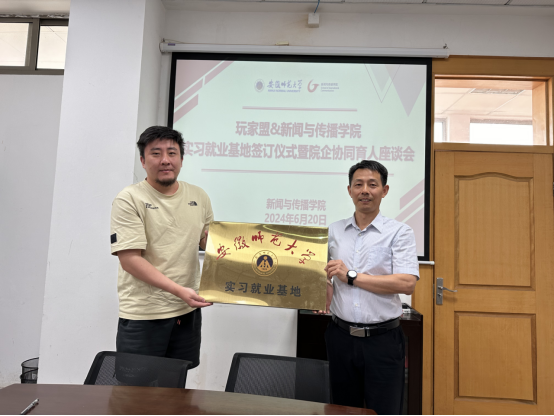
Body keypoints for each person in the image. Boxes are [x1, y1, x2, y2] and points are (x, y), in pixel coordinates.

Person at [110, 126, 213, 368]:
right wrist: (178, 291)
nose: (165, 160)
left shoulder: (199, 196)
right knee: (136, 388)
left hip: (186, 310)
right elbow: (130, 260)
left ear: (181, 159)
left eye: (172, 153)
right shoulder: (129, 199)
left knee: (176, 383)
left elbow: (206, 242)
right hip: (144, 314)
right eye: (156, 154)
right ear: (143, 161)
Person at [324, 160, 419, 414]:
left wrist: (351, 276)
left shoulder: (399, 232)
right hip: (340, 337)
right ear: (349, 190)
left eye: (372, 184)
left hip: (383, 341)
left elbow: (407, 283)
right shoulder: (334, 231)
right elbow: (323, 274)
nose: (365, 190)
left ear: (384, 190)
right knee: (342, 410)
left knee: (384, 410)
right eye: (358, 184)